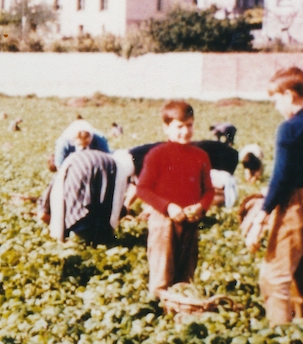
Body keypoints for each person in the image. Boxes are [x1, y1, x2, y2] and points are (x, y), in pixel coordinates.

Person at [244, 66, 303, 327]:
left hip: (294, 202)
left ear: (290, 95)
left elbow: (282, 177)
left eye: (276, 99)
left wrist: (261, 217)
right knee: (300, 277)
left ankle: (280, 339)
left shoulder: (290, 128)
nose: (276, 106)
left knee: (275, 276)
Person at [135, 101, 215, 297]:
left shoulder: (201, 156)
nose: (185, 131)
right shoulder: (157, 155)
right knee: (162, 275)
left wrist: (200, 207)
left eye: (189, 125)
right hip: (164, 222)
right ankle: (160, 312)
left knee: (186, 276)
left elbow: (209, 191)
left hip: (190, 221)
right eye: (179, 126)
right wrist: (167, 207)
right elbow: (143, 189)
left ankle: (183, 313)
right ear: (166, 127)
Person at [39, 148, 133, 245]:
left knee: (79, 217)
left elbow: (43, 214)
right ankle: (97, 236)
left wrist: (58, 230)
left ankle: (84, 236)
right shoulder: (64, 173)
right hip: (110, 164)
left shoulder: (58, 180)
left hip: (84, 163)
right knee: (100, 202)